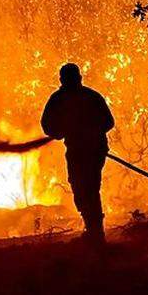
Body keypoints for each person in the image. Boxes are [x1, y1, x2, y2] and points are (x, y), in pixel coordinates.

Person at [41, 62, 114, 244]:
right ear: (62, 80)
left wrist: (89, 131)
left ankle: (96, 233)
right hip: (76, 150)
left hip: (93, 149)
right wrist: (59, 132)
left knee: (90, 187)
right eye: (68, 79)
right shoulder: (59, 99)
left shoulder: (90, 97)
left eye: (72, 78)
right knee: (80, 188)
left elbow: (108, 122)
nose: (70, 82)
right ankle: (93, 228)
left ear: (79, 78)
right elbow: (47, 125)